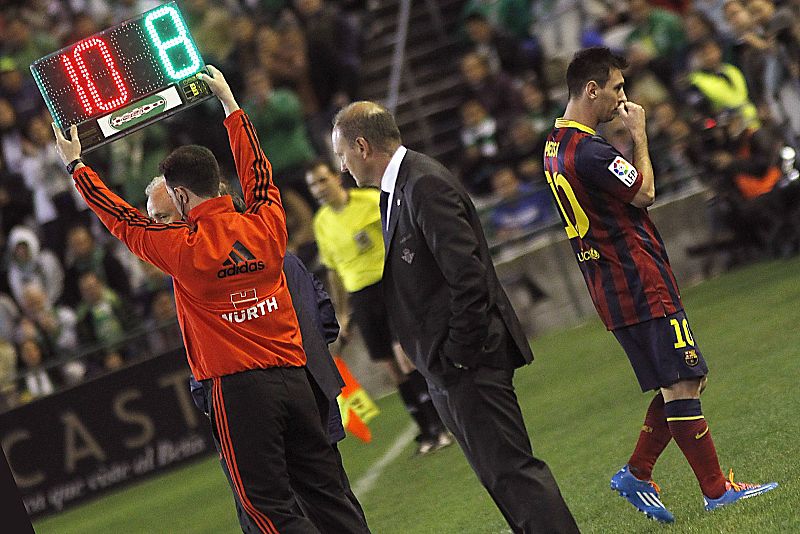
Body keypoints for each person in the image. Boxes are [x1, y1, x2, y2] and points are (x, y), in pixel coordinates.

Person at [53, 65, 369, 534]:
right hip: (295, 378)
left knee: (266, 510)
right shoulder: (266, 224)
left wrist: (77, 166)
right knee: (328, 497)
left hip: (239, 391)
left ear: (181, 196)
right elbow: (259, 173)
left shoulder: (183, 249)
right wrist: (230, 105)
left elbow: (122, 219)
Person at [543, 46, 778, 523]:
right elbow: (645, 192)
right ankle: (713, 489)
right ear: (592, 89)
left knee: (683, 378)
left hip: (608, 285)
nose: (622, 98)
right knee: (684, 378)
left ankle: (639, 472)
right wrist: (639, 135)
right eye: (617, 88)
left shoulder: (553, 145)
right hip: (638, 278)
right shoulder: (591, 150)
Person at [331, 101, 579, 534]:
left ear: (363, 147)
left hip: (468, 361)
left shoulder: (423, 183)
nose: (341, 166)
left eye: (342, 154)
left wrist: (458, 354)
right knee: (499, 476)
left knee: (513, 471)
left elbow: (468, 276)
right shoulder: (400, 187)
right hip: (448, 366)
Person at [145, 176, 368, 532]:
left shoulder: (199, 268)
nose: (157, 228)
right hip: (307, 392)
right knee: (332, 502)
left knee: (266, 513)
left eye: (162, 217)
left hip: (251, 402)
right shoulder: (275, 247)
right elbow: (325, 320)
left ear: (189, 207)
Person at [305, 159, 452, 455]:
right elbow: (333, 272)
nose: (319, 188)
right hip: (361, 297)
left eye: (322, 180)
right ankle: (425, 429)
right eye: (312, 185)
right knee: (391, 366)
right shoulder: (321, 223)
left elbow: (399, 234)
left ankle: (440, 424)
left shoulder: (369, 200)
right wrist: (342, 313)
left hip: (390, 286)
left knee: (405, 357)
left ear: (336, 178)